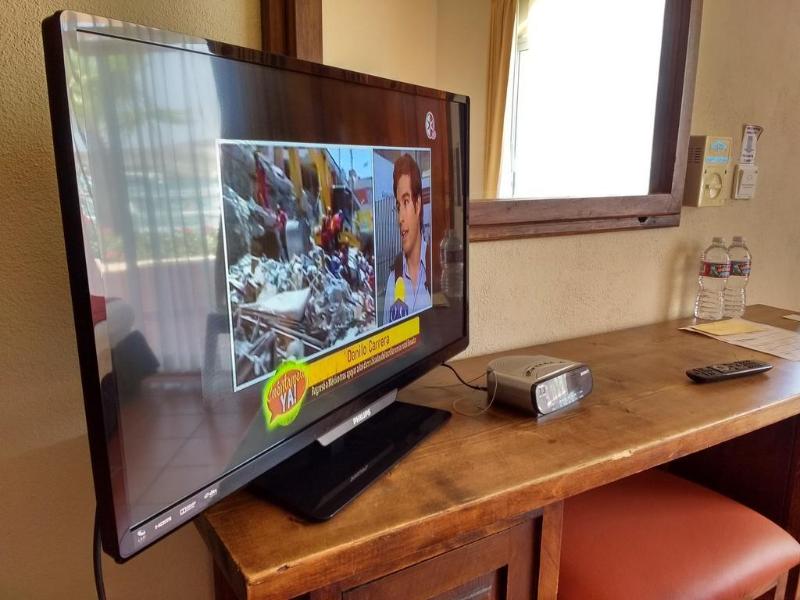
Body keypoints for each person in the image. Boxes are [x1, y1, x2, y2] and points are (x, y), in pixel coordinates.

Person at [383, 153, 431, 324]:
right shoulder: (393, 280)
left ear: (417, 205)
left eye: (406, 202)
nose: (400, 218)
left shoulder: (437, 269)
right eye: (398, 207)